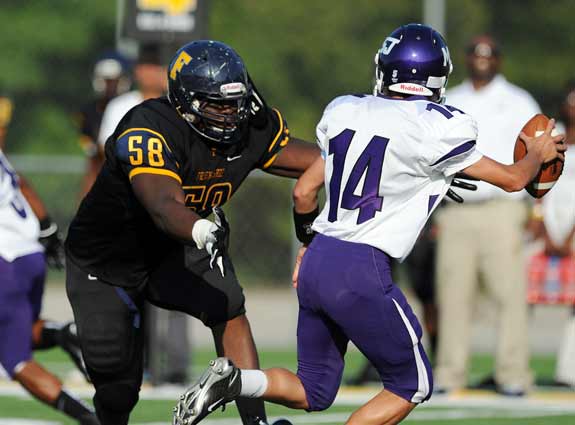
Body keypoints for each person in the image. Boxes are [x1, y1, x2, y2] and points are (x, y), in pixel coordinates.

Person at [174, 24, 566, 425]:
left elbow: (304, 192)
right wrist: (537, 152)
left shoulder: (348, 111)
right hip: (360, 268)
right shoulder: (437, 126)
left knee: (313, 389)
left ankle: (237, 381)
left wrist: (307, 245)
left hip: (319, 258)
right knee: (412, 384)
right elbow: (516, 179)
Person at [64, 40, 319, 425]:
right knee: (118, 387)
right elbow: (164, 207)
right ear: (185, 102)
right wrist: (201, 228)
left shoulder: (250, 127)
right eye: (217, 104)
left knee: (228, 305)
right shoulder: (148, 126)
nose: (231, 114)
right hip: (108, 260)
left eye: (236, 101)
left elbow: (321, 162)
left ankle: (256, 423)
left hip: (173, 249)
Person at [433, 35, 541, 396]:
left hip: (502, 208)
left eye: (489, 54)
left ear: (499, 59)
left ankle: (513, 373)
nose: (482, 59)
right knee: (452, 294)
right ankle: (450, 374)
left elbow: (541, 155)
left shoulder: (518, 101)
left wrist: (535, 208)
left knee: (509, 294)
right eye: (476, 53)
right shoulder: (452, 100)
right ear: (466, 59)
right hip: (456, 209)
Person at [0, 105, 98, 424]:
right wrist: (47, 229)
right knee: (20, 332)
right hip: (29, 255)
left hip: (6, 262)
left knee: (15, 360)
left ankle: (90, 418)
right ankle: (62, 334)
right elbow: (22, 184)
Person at [76, 51, 131, 197]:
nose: (110, 86)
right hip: (102, 169)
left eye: (114, 81)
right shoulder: (89, 112)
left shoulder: (130, 106)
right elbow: (93, 157)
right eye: (107, 81)